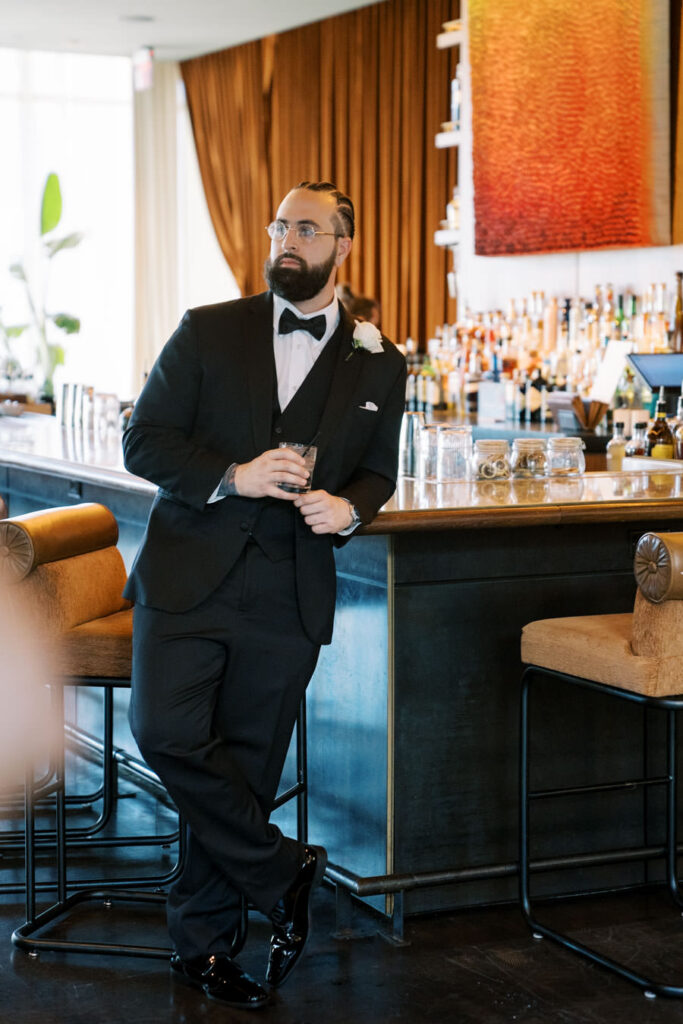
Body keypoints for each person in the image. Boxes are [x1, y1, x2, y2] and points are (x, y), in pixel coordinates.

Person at [122, 181, 406, 1010]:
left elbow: (379, 470)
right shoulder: (209, 330)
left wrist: (352, 507)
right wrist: (232, 476)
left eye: (307, 228)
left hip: (289, 592)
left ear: (342, 246)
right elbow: (144, 439)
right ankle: (284, 871)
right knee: (163, 729)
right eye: (280, 224)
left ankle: (204, 951)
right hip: (186, 578)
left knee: (243, 773)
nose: (286, 238)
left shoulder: (379, 360)